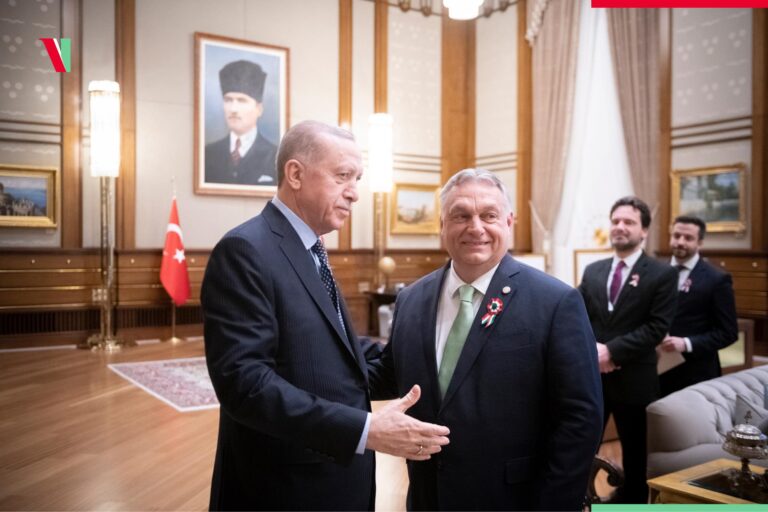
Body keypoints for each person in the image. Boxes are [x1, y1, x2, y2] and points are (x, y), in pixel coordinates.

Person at [201, 120, 450, 511]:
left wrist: (434, 347)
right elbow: (245, 384)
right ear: (295, 174)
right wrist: (365, 429)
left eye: (357, 179)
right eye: (342, 176)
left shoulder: (310, 248)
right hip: (282, 489)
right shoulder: (246, 250)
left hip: (334, 480)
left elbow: (332, 353)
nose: (354, 193)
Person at [368, 169, 604, 511]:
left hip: (513, 500)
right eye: (461, 215)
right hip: (428, 496)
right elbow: (392, 373)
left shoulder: (555, 303)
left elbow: (581, 419)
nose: (475, 227)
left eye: (489, 215)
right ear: (442, 225)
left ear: (509, 222)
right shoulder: (412, 299)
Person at [578, 196, 678, 504]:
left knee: (635, 454)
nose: (620, 227)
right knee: (581, 445)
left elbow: (656, 327)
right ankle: (581, 501)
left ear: (644, 230)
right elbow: (577, 317)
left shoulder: (662, 274)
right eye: (616, 221)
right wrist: (593, 352)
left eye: (629, 222)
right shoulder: (593, 271)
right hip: (592, 377)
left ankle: (631, 505)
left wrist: (611, 352)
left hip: (635, 380)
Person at [659, 215, 738, 396]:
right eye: (676, 236)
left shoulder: (717, 279)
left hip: (695, 374)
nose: (680, 242)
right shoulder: (656, 272)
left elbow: (728, 333)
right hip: (657, 372)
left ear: (700, 242)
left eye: (688, 238)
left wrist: (687, 343)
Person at [204, 60, 278, 186]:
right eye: (228, 100)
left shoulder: (275, 156)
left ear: (259, 109)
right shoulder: (208, 153)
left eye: (242, 101)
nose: (233, 109)